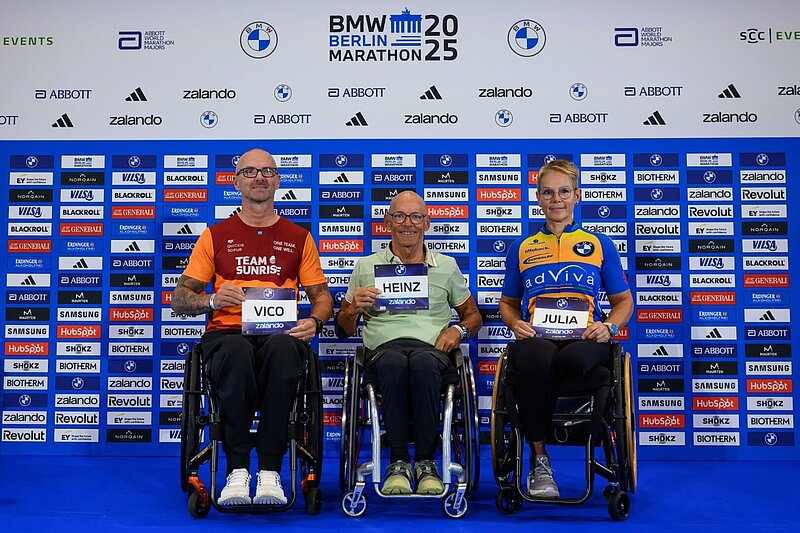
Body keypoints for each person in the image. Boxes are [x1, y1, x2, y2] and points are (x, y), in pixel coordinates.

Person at [171, 148, 333, 506]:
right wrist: (212, 300)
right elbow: (179, 298)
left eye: (266, 172)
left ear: (277, 181)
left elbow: (322, 296)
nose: (259, 178)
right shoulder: (214, 235)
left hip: (280, 333)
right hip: (227, 335)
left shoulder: (298, 237)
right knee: (235, 351)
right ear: (236, 181)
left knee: (283, 350)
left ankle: (271, 472)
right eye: (249, 172)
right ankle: (238, 471)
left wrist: (315, 320)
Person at [498, 159, 633, 498]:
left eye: (563, 192)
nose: (555, 199)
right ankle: (539, 459)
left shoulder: (600, 244)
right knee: (533, 359)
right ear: (538, 198)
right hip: (539, 337)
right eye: (547, 192)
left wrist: (609, 327)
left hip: (585, 335)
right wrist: (515, 323)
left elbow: (623, 301)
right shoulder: (522, 247)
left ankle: (589, 442)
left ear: (577, 196)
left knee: (575, 363)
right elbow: (508, 303)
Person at [334, 191, 482, 496]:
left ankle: (426, 462)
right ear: (388, 221)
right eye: (399, 216)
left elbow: (473, 316)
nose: (408, 224)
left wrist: (459, 332)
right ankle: (398, 462)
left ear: (426, 222)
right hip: (383, 352)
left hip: (432, 352)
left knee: (424, 363)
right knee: (393, 361)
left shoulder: (446, 266)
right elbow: (343, 330)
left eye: (416, 217)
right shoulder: (366, 267)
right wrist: (351, 308)